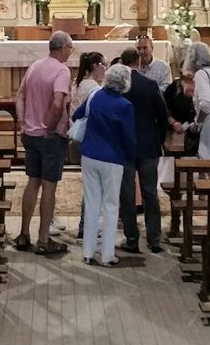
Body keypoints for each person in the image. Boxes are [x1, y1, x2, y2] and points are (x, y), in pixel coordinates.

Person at [13, 30, 72, 256]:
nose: (70, 52)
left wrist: (22, 122)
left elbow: (20, 96)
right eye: (69, 48)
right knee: (49, 186)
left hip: (30, 134)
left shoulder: (35, 66)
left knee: (32, 182)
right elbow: (58, 102)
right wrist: (50, 125)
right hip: (49, 137)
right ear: (62, 48)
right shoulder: (61, 70)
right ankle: (44, 239)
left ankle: (23, 234)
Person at [71, 61, 135, 267]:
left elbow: (76, 115)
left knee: (91, 203)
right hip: (112, 159)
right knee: (110, 206)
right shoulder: (125, 106)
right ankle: (107, 254)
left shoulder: (94, 96)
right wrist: (130, 156)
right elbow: (129, 137)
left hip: (89, 155)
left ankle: (88, 252)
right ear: (125, 83)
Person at [118, 47, 168, 254]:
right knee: (150, 193)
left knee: (127, 194)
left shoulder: (119, 86)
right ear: (138, 62)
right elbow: (162, 115)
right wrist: (160, 139)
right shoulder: (150, 85)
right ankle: (154, 239)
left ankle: (131, 239)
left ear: (122, 62)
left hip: (125, 146)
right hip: (149, 145)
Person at [69, 51, 108, 238]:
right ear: (96, 66)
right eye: (104, 65)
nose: (106, 69)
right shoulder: (94, 89)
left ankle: (87, 226)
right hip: (91, 139)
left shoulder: (77, 84)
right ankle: (87, 227)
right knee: (94, 186)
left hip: (77, 137)